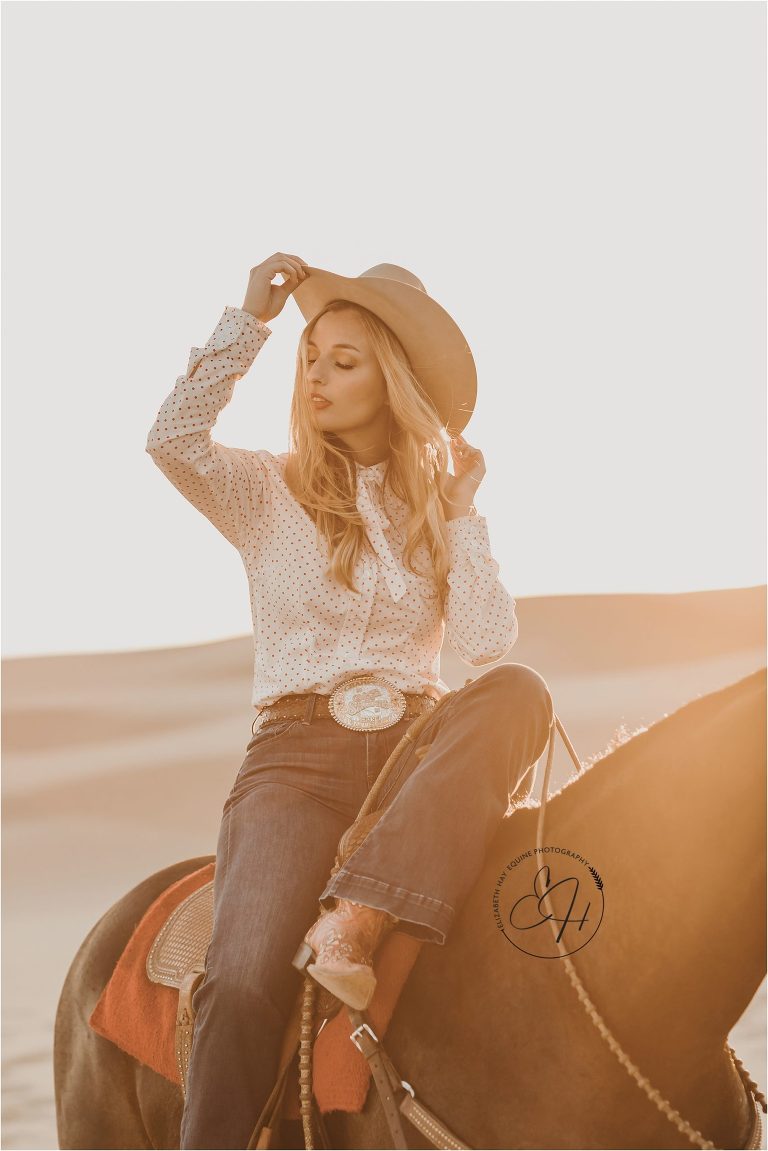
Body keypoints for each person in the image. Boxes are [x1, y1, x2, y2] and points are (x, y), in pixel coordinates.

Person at [145, 252, 554, 1149]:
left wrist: (460, 513)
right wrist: (250, 319)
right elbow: (172, 438)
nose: (318, 376)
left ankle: (357, 921)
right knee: (245, 975)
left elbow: (486, 646)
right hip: (295, 762)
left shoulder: (434, 511)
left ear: (393, 379)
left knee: (520, 692)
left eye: (344, 360)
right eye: (311, 357)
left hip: (419, 759)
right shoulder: (263, 488)